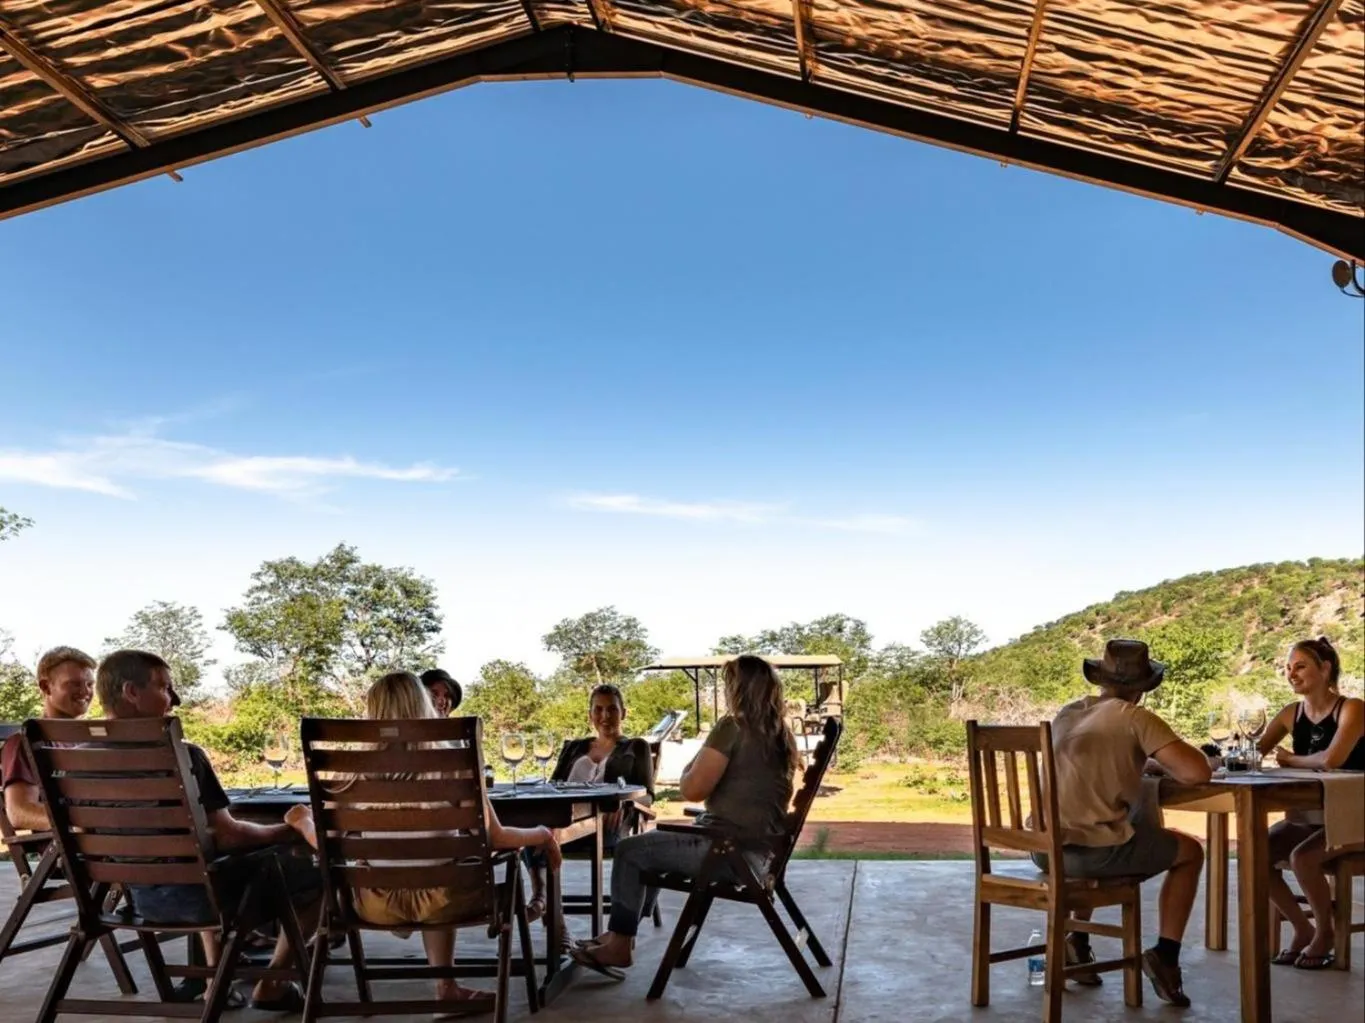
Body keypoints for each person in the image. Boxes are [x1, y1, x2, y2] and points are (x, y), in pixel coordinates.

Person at [285, 670, 561, 1008]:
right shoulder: (455, 763)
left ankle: (446, 989)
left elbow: (327, 843)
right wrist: (542, 834)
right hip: (447, 901)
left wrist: (303, 821)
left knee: (438, 867)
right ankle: (445, 987)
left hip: (375, 904)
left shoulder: (351, 773)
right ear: (423, 705)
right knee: (449, 868)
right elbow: (496, 837)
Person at [99, 649, 318, 1011]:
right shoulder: (183, 755)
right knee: (313, 872)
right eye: (165, 688)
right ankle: (274, 984)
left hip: (138, 900)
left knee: (204, 858)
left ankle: (217, 978)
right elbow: (230, 836)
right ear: (131, 692)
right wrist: (290, 829)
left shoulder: (71, 760)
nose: (174, 699)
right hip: (200, 899)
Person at [570, 655, 798, 973]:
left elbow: (692, 789)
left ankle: (621, 943)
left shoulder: (732, 727)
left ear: (739, 690)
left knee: (630, 850)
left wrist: (692, 766)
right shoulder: (780, 735)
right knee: (652, 843)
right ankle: (618, 934)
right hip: (759, 854)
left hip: (728, 851)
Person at [1036, 639, 1211, 1007]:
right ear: (1143, 688)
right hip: (1085, 854)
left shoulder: (1069, 712)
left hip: (1043, 850)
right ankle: (1166, 955)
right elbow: (1196, 772)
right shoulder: (1134, 717)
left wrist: (1143, 763)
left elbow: (1095, 768)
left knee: (1108, 826)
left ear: (1100, 679)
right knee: (1190, 851)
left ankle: (1078, 943)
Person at [1255, 636, 1365, 970]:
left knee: (1303, 858)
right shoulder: (1291, 714)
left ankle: (1326, 933)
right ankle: (1303, 928)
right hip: (1311, 817)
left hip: (1356, 816)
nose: (1291, 674)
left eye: (1300, 666)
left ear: (1325, 668)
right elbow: (1255, 750)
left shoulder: (1353, 708)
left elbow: (1333, 759)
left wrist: (1290, 760)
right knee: (1256, 853)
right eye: (1288, 668)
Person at [524, 684, 656, 923]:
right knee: (532, 831)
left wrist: (624, 804)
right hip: (565, 821)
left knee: (542, 836)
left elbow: (648, 795)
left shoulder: (635, 747)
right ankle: (544, 899)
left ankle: (545, 905)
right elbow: (553, 785)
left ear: (623, 713)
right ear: (590, 715)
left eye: (612, 709)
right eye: (599, 709)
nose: (605, 716)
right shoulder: (575, 747)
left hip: (605, 827)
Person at [2, 646, 96, 832]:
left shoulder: (92, 741)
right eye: (74, 684)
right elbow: (19, 812)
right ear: (46, 687)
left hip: (115, 840)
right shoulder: (25, 744)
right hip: (71, 851)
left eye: (90, 684)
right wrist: (81, 821)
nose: (85, 692)